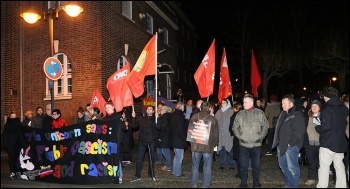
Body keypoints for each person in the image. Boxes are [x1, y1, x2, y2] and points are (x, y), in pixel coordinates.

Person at [232, 94, 268, 188]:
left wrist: (260, 137)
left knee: (256, 167)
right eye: (243, 102)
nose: (244, 104)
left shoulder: (259, 113)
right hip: (243, 145)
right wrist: (241, 137)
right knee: (243, 167)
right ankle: (243, 184)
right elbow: (234, 127)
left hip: (256, 145)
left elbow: (265, 126)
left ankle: (256, 184)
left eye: (246, 102)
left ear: (252, 103)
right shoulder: (240, 114)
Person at [315, 87, 348, 188]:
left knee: (324, 167)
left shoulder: (327, 108)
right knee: (340, 167)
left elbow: (326, 126)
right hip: (341, 142)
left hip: (328, 142)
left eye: (324, 96)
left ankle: (322, 186)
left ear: (328, 96)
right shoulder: (344, 108)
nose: (323, 98)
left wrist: (318, 127)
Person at [271, 94, 306, 188]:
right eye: (282, 103)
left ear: (291, 103)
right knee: (283, 166)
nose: (282, 105)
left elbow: (300, 132)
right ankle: (288, 184)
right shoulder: (283, 114)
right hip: (281, 144)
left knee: (292, 168)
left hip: (290, 146)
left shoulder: (297, 114)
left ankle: (294, 186)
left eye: (284, 103)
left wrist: (291, 143)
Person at [187, 101, 219, 188]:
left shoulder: (194, 116)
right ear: (209, 109)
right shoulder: (213, 119)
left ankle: (194, 183)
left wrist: (192, 143)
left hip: (196, 146)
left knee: (195, 165)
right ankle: (206, 185)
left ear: (200, 108)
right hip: (208, 147)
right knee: (207, 167)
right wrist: (213, 145)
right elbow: (216, 136)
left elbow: (190, 133)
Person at [130, 106, 160, 182]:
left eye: (150, 109)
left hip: (151, 141)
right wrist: (133, 118)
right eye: (148, 109)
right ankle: (137, 175)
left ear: (153, 111)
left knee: (151, 158)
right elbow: (134, 126)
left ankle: (151, 174)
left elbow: (159, 127)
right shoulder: (142, 118)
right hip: (142, 141)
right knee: (139, 159)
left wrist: (158, 118)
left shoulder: (155, 119)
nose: (149, 110)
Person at [103, 102, 126, 184]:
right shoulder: (104, 119)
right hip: (107, 141)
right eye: (106, 108)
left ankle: (119, 175)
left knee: (116, 158)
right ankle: (111, 174)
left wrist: (123, 121)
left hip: (116, 141)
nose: (107, 109)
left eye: (109, 107)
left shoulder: (117, 117)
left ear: (113, 107)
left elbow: (124, 128)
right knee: (108, 158)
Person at [304, 99, 322, 186]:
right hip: (309, 142)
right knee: (311, 161)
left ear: (319, 107)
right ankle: (311, 178)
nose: (313, 107)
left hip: (320, 143)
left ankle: (321, 178)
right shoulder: (307, 116)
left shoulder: (323, 116)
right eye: (312, 106)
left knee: (320, 162)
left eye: (316, 106)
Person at [215, 98, 234, 170]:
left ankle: (231, 164)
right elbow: (215, 121)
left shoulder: (231, 111)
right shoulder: (219, 112)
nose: (222, 104)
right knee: (222, 149)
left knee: (230, 149)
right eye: (222, 103)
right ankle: (222, 164)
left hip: (229, 134)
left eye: (224, 103)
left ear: (227, 103)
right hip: (221, 133)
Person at [169, 102, 187, 178]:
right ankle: (178, 173)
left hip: (174, 138)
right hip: (179, 139)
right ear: (181, 107)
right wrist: (184, 138)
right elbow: (181, 129)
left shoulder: (173, 115)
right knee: (179, 157)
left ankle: (174, 171)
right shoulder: (180, 116)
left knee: (176, 156)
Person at [3, 111, 22, 179]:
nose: (13, 118)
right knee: (12, 158)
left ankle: (17, 171)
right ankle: (12, 171)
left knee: (17, 157)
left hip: (17, 143)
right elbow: (5, 135)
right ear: (9, 117)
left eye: (14, 117)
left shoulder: (19, 124)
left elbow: (22, 133)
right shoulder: (7, 125)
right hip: (10, 144)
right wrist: (5, 145)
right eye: (12, 117)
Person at [229, 102, 244, 178]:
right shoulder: (246, 115)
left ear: (235, 109)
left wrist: (232, 133)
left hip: (237, 139)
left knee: (239, 157)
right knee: (244, 156)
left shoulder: (234, 116)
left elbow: (231, 128)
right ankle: (244, 172)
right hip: (245, 138)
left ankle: (240, 172)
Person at [157, 106, 172, 171]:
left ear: (164, 110)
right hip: (166, 136)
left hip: (164, 137)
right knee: (165, 150)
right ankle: (168, 163)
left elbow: (163, 128)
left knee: (166, 151)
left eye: (162, 109)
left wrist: (160, 136)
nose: (160, 110)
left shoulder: (165, 117)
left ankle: (168, 165)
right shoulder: (166, 117)